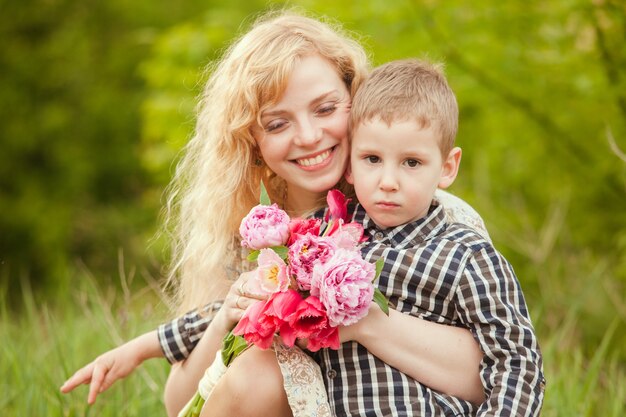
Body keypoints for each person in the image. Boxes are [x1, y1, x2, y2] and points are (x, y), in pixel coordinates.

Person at [60, 10, 492, 417]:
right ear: (252, 143)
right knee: (256, 369)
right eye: (277, 124)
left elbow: (490, 373)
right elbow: (181, 404)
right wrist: (225, 320)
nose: (308, 136)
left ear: (356, 102)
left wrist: (362, 321)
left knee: (260, 372)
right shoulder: (257, 232)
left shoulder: (423, 215)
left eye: (325, 109)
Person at [312, 58, 545, 415]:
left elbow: (517, 365)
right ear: (349, 164)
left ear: (447, 167)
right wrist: (197, 328)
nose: (388, 181)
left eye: (411, 163)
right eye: (372, 159)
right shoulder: (325, 238)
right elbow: (265, 298)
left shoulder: (467, 257)